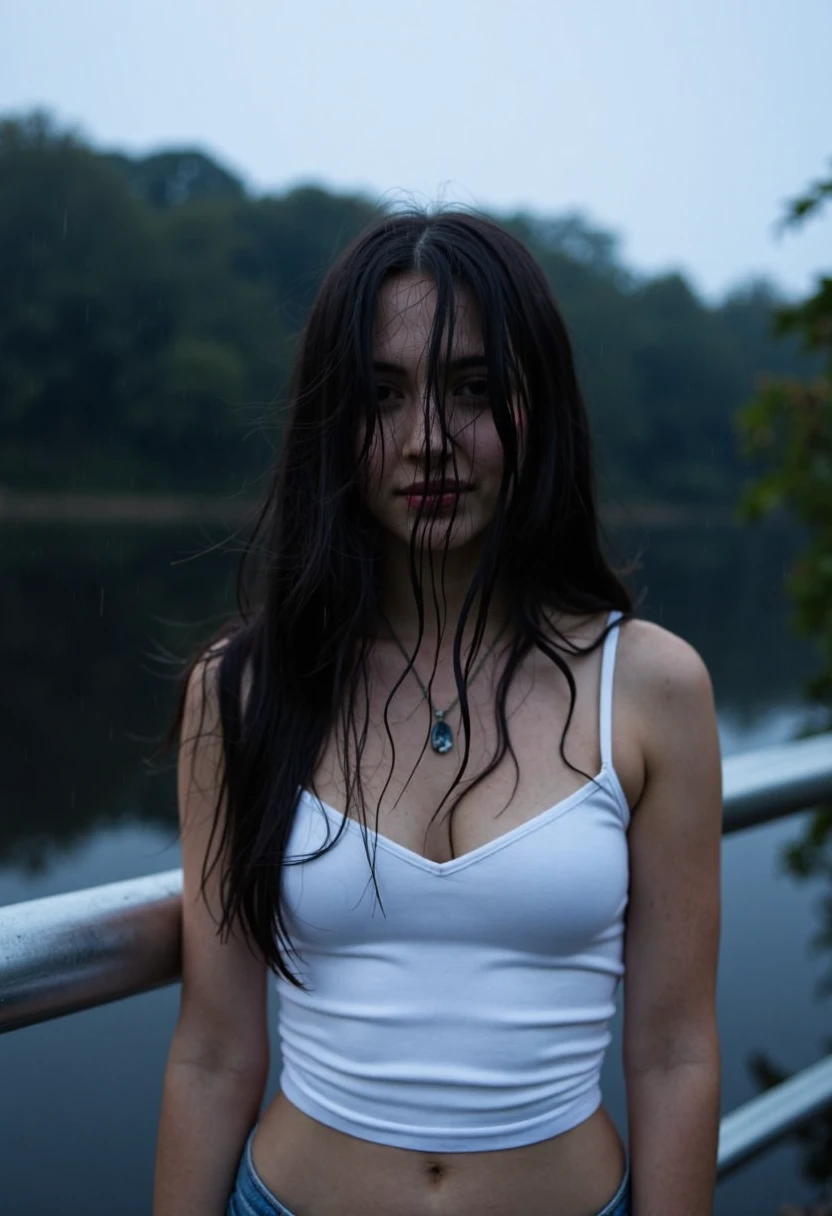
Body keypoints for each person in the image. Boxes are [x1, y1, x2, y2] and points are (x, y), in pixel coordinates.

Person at [152, 210, 722, 1216]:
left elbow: (673, 1048)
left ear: (535, 406)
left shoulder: (650, 686)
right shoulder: (243, 690)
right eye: (382, 396)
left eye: (471, 390)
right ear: (333, 423)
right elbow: (212, 1048)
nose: (427, 443)